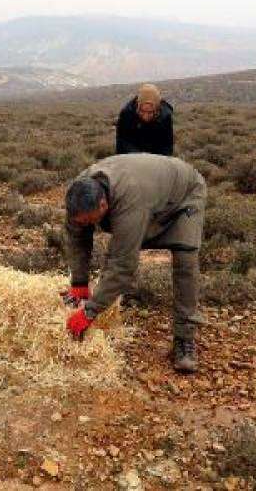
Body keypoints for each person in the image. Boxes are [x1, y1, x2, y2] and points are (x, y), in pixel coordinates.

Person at [62, 154, 206, 373]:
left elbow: (123, 265)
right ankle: (108, 298)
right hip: (149, 194)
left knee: (185, 259)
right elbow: (76, 238)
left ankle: (184, 339)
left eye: (90, 220)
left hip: (184, 194)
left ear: (103, 204)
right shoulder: (79, 193)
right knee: (116, 243)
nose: (86, 224)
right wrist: (79, 283)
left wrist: (89, 312)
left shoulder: (130, 202)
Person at [115, 83, 174, 156]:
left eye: (150, 112)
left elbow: (167, 147)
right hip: (132, 157)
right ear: (138, 106)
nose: (145, 116)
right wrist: (140, 157)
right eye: (142, 111)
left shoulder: (165, 117)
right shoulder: (127, 114)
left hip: (156, 158)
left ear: (157, 110)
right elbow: (122, 144)